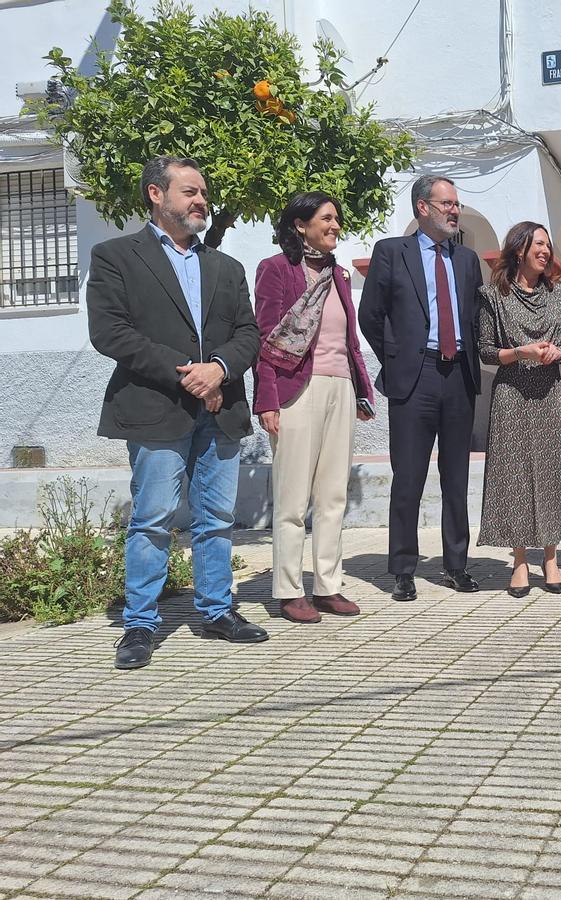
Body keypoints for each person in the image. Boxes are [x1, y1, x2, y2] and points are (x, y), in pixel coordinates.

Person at [87, 156, 267, 670]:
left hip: (221, 408)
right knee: (153, 519)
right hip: (156, 409)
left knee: (217, 519)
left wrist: (219, 369)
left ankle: (217, 611)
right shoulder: (115, 256)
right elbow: (110, 332)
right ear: (156, 194)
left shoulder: (225, 267)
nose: (201, 201)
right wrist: (187, 373)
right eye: (190, 191)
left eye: (203, 193)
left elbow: (248, 333)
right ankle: (140, 623)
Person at [359, 175, 484, 602]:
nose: (455, 210)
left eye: (457, 204)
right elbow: (370, 315)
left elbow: (474, 316)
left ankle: (456, 565)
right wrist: (396, 357)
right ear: (422, 207)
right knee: (408, 477)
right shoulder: (392, 252)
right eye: (447, 203)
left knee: (456, 476)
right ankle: (402, 569)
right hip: (415, 377)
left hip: (459, 376)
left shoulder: (467, 260)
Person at [252, 192, 376, 623]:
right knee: (292, 498)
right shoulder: (275, 269)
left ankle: (327, 586)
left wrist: (361, 391)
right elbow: (266, 341)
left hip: (340, 387)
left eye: (337, 218)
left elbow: (349, 342)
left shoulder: (338, 274)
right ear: (300, 225)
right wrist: (267, 400)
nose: (335, 225)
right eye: (327, 218)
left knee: (333, 495)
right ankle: (289, 590)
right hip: (296, 392)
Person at [476, 222, 561, 596]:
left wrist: (556, 352)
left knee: (551, 473)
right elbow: (486, 350)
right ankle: (519, 560)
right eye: (539, 244)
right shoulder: (492, 295)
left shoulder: (559, 296)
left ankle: (550, 557)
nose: (546, 251)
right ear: (519, 249)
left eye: (548, 245)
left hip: (550, 393)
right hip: (511, 394)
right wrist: (521, 352)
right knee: (513, 473)